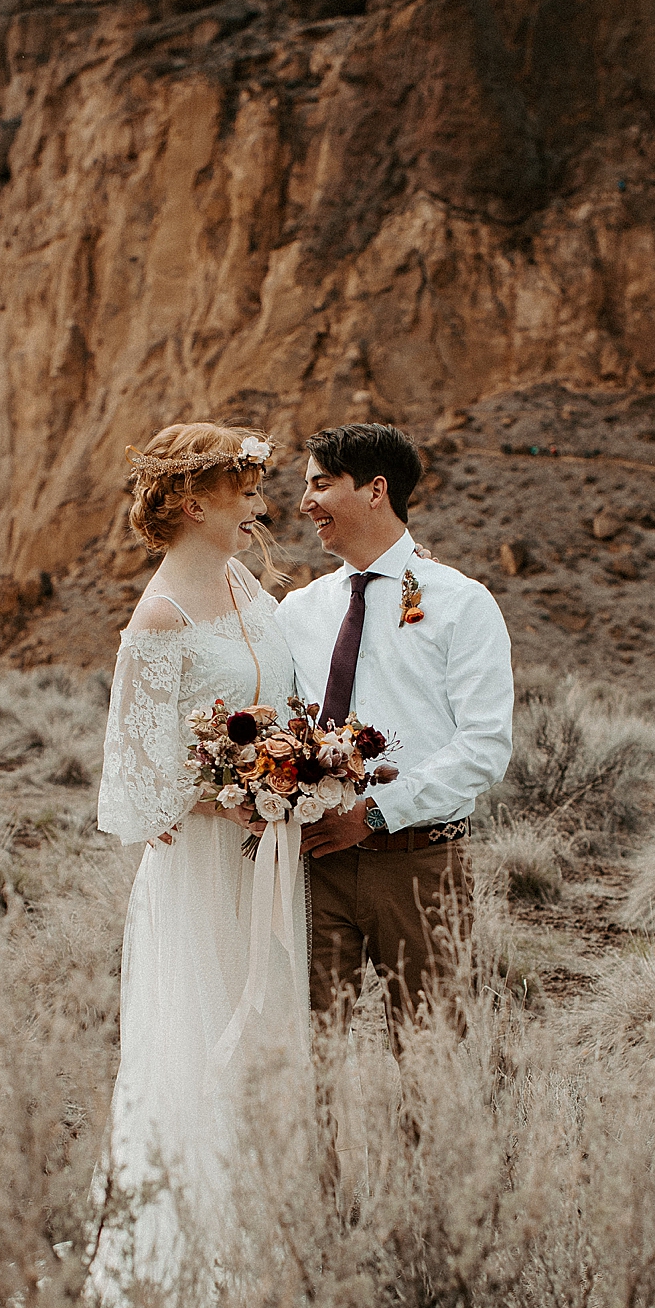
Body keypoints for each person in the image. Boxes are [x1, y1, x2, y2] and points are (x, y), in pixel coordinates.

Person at [93, 422, 308, 1308]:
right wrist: (231, 792)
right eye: (237, 483)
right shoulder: (160, 618)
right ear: (188, 499)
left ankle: (273, 1276)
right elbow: (135, 790)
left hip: (272, 853)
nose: (253, 495)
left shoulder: (246, 586)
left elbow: (279, 698)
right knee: (205, 1054)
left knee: (267, 1048)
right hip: (206, 871)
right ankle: (195, 1306)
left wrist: (301, 771)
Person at [275, 422, 514, 1031]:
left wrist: (376, 812)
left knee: (431, 1056)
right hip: (313, 864)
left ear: (376, 490)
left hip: (417, 867)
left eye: (321, 485)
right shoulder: (298, 612)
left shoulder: (462, 603)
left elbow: (484, 746)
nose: (305, 503)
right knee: (308, 1053)